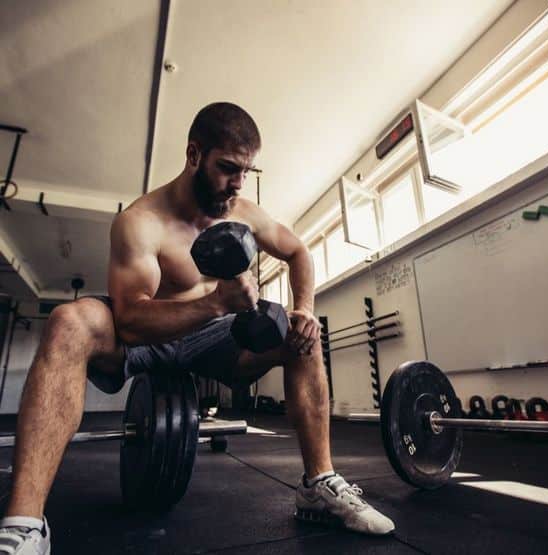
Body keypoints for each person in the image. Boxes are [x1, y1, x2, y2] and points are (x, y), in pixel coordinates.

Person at [0, 102, 394, 553]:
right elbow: (129, 320)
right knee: (69, 320)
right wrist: (214, 302)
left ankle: (318, 485)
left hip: (215, 339)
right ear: (193, 154)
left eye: (246, 170)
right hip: (145, 336)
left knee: (299, 336)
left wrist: (303, 309)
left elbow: (298, 252)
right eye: (227, 167)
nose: (238, 182)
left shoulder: (244, 210)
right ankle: (25, 523)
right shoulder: (141, 221)